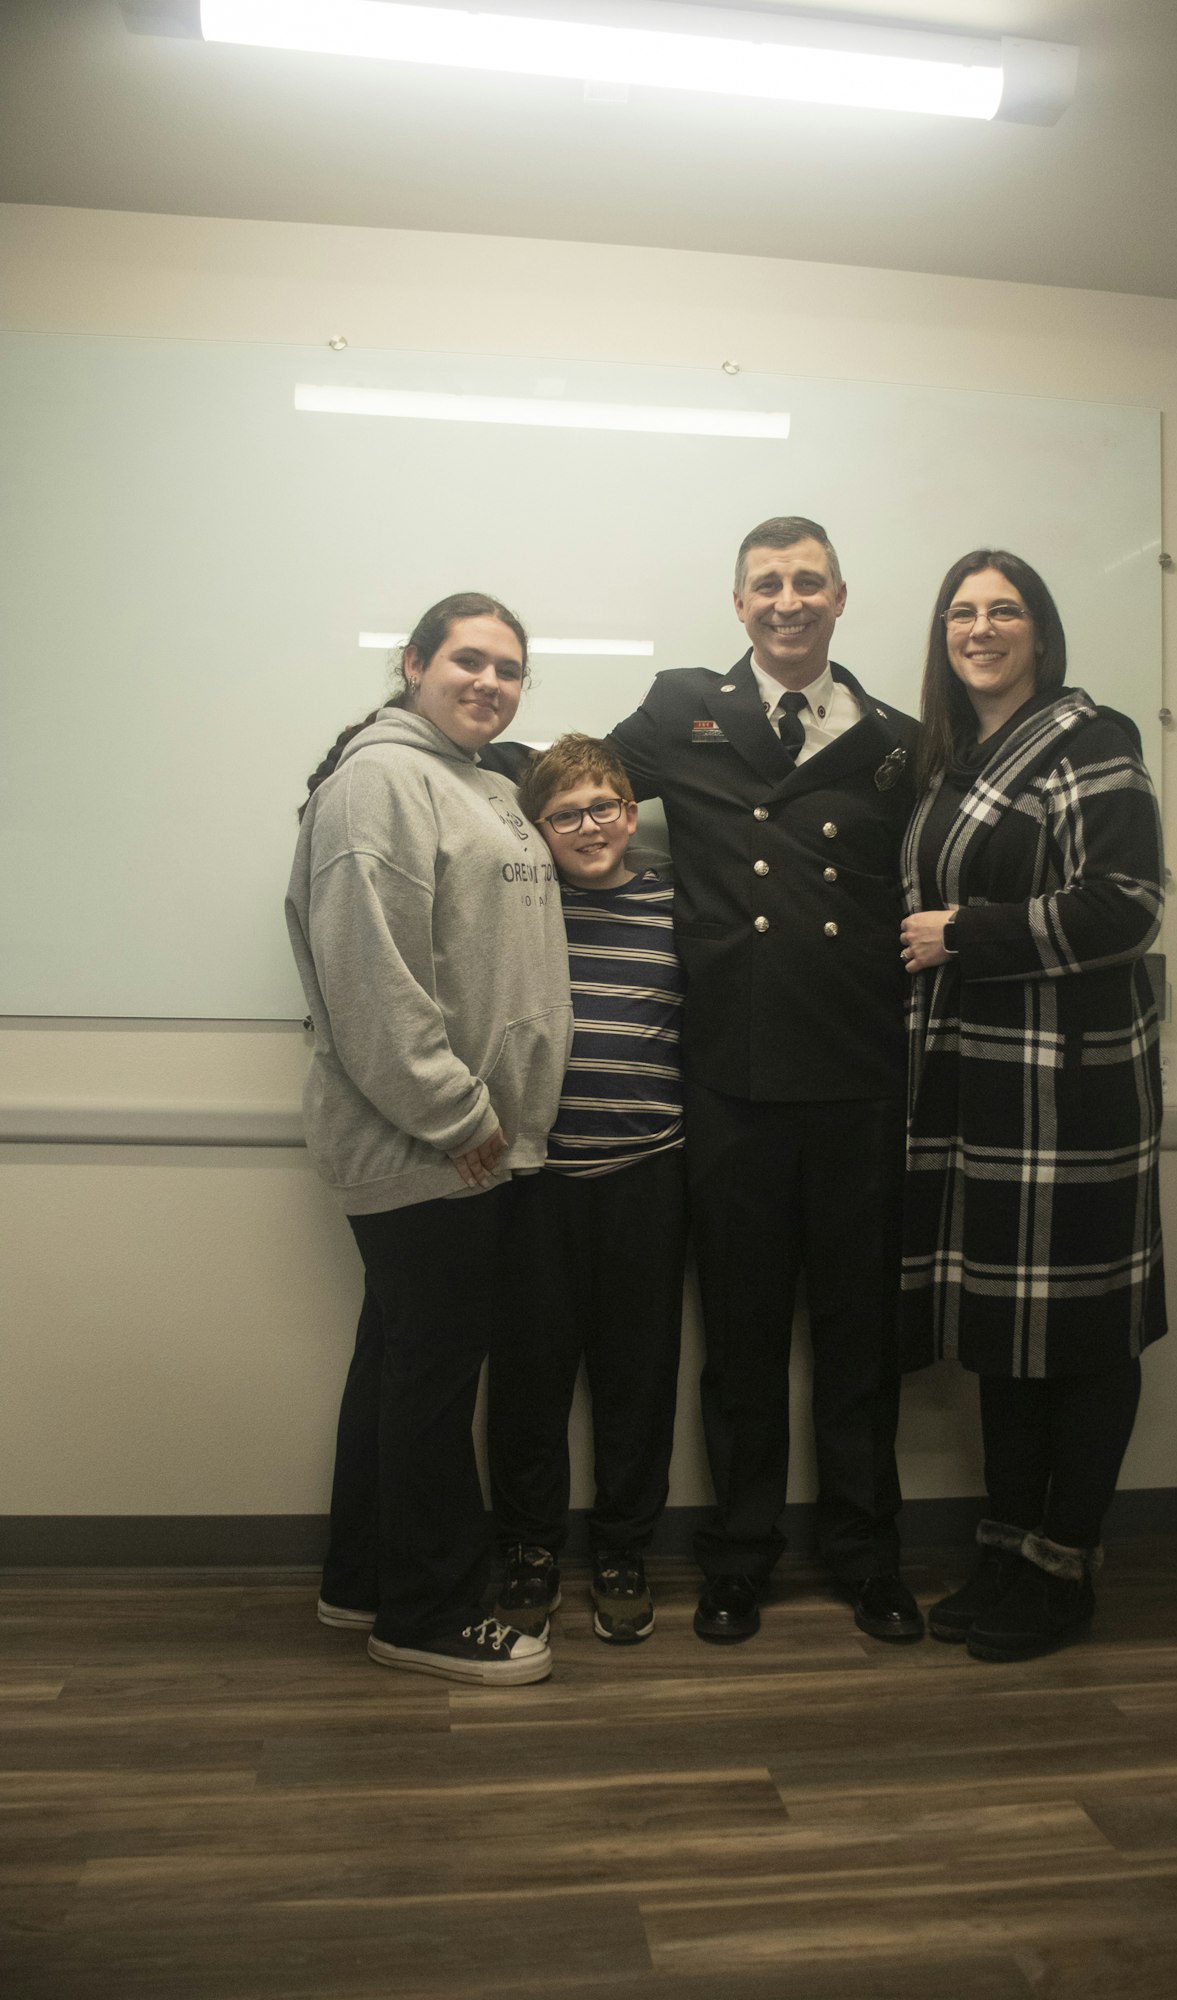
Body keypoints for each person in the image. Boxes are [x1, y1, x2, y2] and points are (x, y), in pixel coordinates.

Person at [608, 515, 923, 1646]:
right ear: (737, 604)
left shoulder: (897, 739)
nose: (785, 600)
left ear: (841, 597)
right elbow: (575, 786)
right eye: (764, 584)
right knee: (739, 1343)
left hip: (855, 1080)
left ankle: (863, 1551)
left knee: (855, 1342)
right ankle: (737, 1556)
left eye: (806, 582)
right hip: (728, 1083)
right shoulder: (677, 708)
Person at [285, 592, 573, 1686]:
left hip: (477, 1142)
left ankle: (362, 1573)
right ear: (413, 662)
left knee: (403, 1360)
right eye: (467, 658)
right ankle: (429, 1611)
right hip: (432, 1142)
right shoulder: (377, 781)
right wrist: (458, 1114)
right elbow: (370, 978)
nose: (489, 681)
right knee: (436, 1376)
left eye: (508, 667)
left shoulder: (488, 784)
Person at [898, 549, 1167, 1662]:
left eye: (1002, 609)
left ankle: (1065, 1563)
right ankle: (1005, 1550)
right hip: (981, 1088)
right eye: (961, 610)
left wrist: (962, 931)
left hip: (1073, 1093)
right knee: (1004, 1335)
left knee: (1083, 1338)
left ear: (1039, 632)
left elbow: (1125, 904)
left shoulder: (1091, 740)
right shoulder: (953, 764)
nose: (979, 626)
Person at [485, 733, 687, 1646]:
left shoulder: (677, 907)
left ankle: (622, 1550)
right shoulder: (522, 914)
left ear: (631, 813)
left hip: (649, 1174)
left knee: (636, 1380)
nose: (588, 825)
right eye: (564, 814)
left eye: (603, 806)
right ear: (539, 831)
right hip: (539, 1184)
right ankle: (528, 1550)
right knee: (529, 1380)